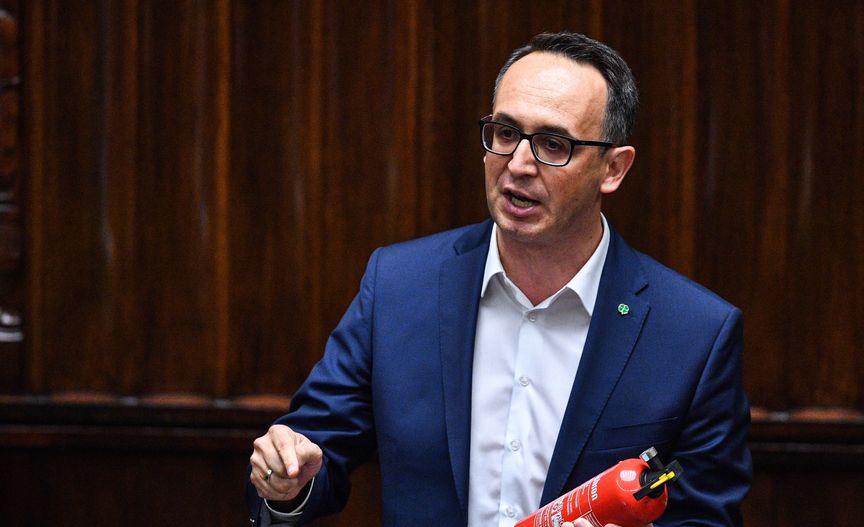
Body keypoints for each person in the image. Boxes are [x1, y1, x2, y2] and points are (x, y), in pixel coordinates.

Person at [247, 31, 751, 527]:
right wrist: (287, 478)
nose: (519, 164)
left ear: (613, 169)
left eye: (553, 144)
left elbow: (706, 517)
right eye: (506, 133)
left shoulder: (694, 333)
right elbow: (314, 448)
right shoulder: (400, 287)